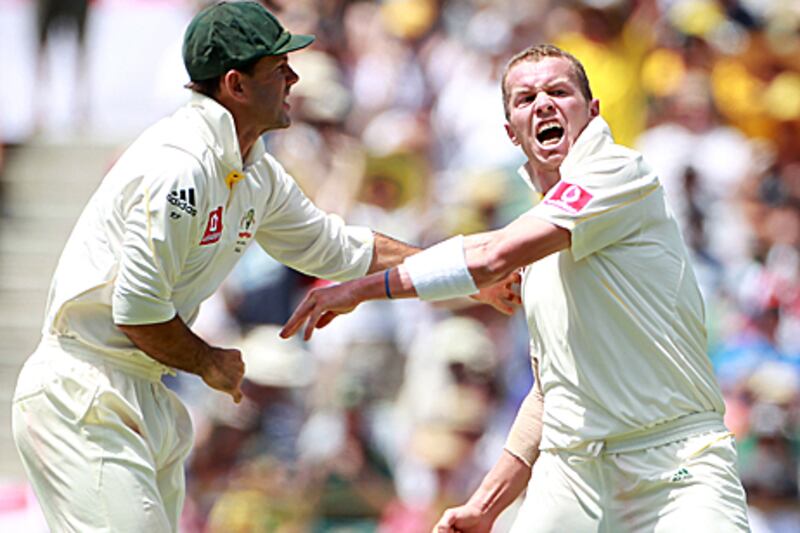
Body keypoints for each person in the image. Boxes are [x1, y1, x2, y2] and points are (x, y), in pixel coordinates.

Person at [10, 3, 518, 531]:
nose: (294, 78)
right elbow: (136, 313)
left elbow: (338, 247)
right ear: (236, 84)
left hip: (142, 391)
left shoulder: (254, 171)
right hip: (84, 391)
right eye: (278, 69)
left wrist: (468, 275)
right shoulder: (181, 166)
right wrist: (211, 362)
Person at [281, 44, 751, 532]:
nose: (543, 104)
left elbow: (491, 257)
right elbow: (552, 392)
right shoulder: (540, 241)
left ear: (592, 112)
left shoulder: (617, 171)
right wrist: (486, 506)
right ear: (511, 133)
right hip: (575, 470)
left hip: (674, 462)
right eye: (526, 99)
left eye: (558, 92)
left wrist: (360, 290)